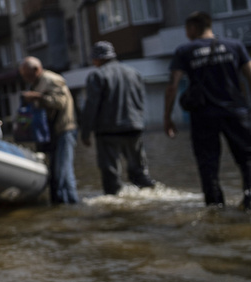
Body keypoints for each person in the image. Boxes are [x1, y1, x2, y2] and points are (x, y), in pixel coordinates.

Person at [164, 12, 251, 209]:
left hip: (203, 116)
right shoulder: (235, 45)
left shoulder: (185, 51)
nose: (187, 34)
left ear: (193, 28)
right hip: (236, 112)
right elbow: (249, 76)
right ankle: (249, 199)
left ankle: (215, 208)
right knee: (247, 158)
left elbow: (172, 86)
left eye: (187, 30)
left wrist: (167, 117)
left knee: (208, 164)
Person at [79, 41, 157, 195]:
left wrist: (85, 132)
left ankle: (115, 205)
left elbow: (91, 105)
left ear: (97, 58)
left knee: (111, 175)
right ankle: (150, 195)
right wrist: (139, 122)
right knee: (139, 170)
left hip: (108, 131)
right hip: (133, 127)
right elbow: (141, 100)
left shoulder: (97, 75)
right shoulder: (133, 72)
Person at [19, 56, 79, 204]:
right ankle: (58, 204)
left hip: (64, 130)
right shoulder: (36, 82)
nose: (25, 78)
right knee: (54, 173)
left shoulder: (52, 79)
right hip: (49, 134)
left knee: (63, 172)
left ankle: (72, 204)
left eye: (26, 75)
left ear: (36, 69)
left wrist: (38, 97)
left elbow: (60, 102)